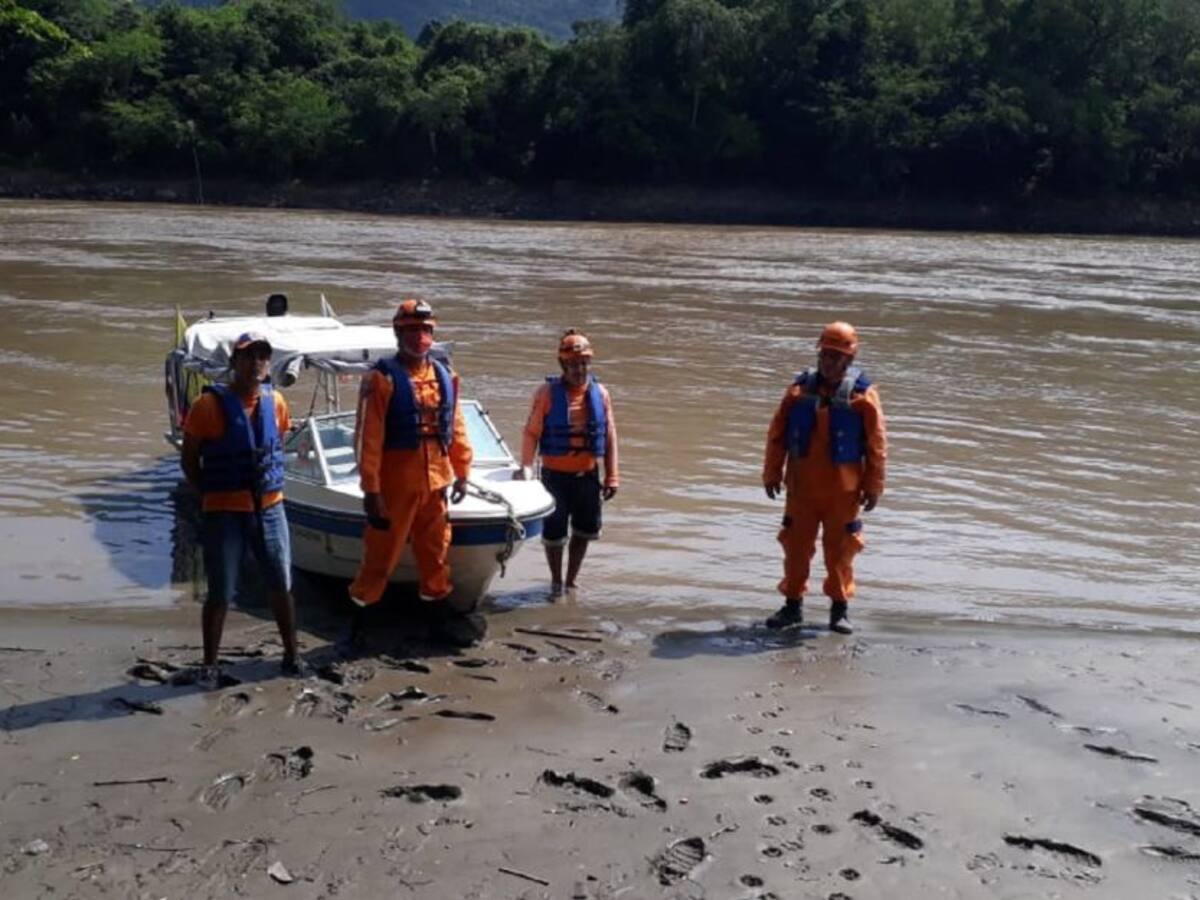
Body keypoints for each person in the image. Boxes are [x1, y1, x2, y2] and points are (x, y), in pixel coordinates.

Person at [348, 299, 475, 643]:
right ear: (398, 332)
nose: (419, 336)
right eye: (412, 330)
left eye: (425, 329)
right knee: (380, 557)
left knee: (435, 555)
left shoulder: (446, 376)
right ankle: (361, 628)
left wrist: (463, 470)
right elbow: (368, 438)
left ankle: (437, 623)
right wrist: (370, 490)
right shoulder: (381, 379)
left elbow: (457, 426)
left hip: (436, 483)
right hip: (394, 487)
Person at [180, 332, 302, 683]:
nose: (256, 364)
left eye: (262, 357)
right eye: (248, 357)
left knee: (280, 581)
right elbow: (189, 459)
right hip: (224, 510)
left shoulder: (276, 402)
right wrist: (209, 493)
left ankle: (292, 655)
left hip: (269, 507)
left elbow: (274, 444)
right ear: (234, 363)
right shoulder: (208, 407)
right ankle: (210, 663)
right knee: (220, 589)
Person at [762, 321, 887, 634]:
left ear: (849, 360)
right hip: (801, 488)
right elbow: (776, 434)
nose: (829, 362)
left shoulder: (863, 397)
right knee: (795, 549)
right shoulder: (799, 391)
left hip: (842, 493)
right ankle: (792, 607)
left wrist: (873, 485)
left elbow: (876, 445)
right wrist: (771, 472)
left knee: (841, 552)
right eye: (825, 355)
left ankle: (839, 609)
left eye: (836, 356)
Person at [515, 329, 619, 596]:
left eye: (584, 363)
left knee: (584, 532)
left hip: (587, 477)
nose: (579, 369)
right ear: (563, 365)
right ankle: (555, 581)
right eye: (573, 364)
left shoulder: (601, 394)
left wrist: (612, 476)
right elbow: (531, 433)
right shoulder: (546, 394)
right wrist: (526, 467)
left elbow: (609, 437)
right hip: (554, 477)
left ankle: (571, 579)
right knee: (554, 534)